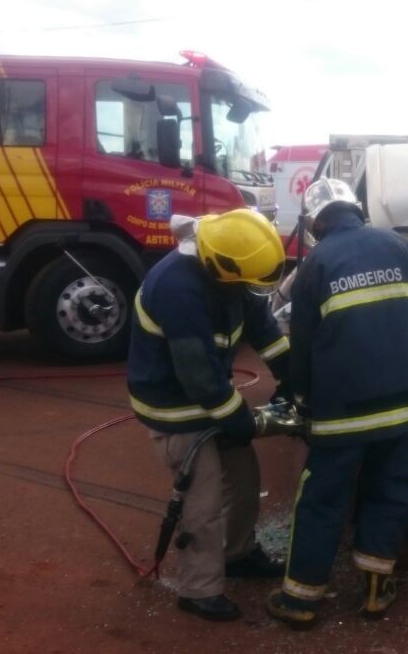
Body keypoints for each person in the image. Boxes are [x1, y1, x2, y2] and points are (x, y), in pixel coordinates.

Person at [266, 179, 408, 630]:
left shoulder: (316, 264)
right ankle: (376, 589)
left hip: (344, 411)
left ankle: (301, 599)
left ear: (316, 222)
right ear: (355, 209)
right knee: (390, 490)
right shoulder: (400, 246)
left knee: (323, 498)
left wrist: (300, 399)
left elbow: (301, 346)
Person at [127, 209, 292, 622]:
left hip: (211, 395)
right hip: (174, 406)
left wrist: (295, 376)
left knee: (244, 476)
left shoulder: (234, 275)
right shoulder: (176, 288)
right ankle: (197, 589)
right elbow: (196, 373)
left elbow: (265, 331)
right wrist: (236, 418)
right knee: (201, 500)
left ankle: (237, 553)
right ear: (222, 268)